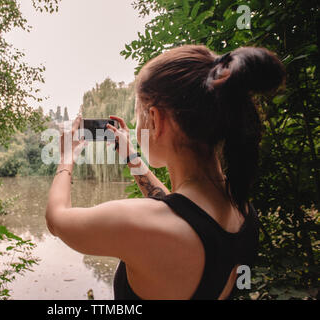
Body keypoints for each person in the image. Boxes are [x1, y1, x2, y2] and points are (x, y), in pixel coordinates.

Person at [45, 45, 286, 300]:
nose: (138, 127)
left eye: (139, 116)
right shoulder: (242, 210)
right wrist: (131, 157)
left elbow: (56, 219)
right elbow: (182, 210)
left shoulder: (136, 223)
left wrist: (67, 157)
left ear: (156, 120)